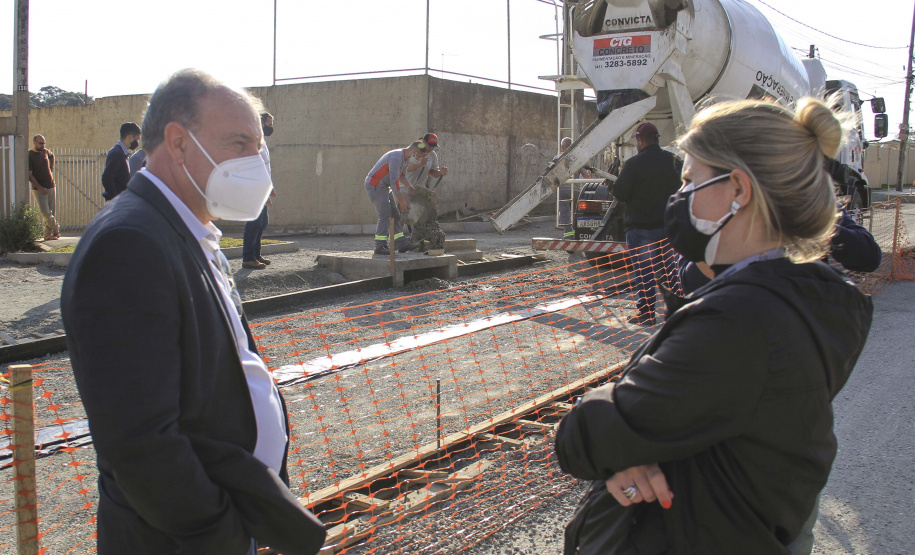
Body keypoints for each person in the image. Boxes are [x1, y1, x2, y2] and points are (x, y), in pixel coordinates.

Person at [555, 98, 874, 554]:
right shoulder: (807, 294)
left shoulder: (737, 324)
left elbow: (583, 437)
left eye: (689, 181)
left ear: (738, 189)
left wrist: (615, 441)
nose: (678, 197)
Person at [61, 69, 325, 555]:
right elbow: (141, 444)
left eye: (259, 147)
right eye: (240, 143)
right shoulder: (129, 244)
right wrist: (221, 533)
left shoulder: (189, 229)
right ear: (179, 144)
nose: (257, 163)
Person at [611, 122, 682, 325]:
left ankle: (647, 314)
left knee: (645, 273)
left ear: (641, 141)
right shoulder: (674, 161)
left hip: (641, 229)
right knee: (672, 273)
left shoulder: (634, 164)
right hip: (669, 227)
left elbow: (621, 193)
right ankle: (677, 313)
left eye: (638, 141)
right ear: (657, 139)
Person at [365, 141, 426, 255]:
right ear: (415, 151)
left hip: (383, 186)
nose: (418, 159)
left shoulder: (405, 159)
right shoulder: (396, 157)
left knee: (396, 214)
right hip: (375, 184)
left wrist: (409, 186)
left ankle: (401, 243)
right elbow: (394, 181)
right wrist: (402, 201)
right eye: (419, 156)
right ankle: (379, 246)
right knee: (385, 214)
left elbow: (401, 175)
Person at [242, 112, 276, 270]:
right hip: (254, 187)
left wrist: (270, 187)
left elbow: (266, 167)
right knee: (254, 222)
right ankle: (248, 257)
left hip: (262, 187)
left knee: (262, 223)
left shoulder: (262, 142)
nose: (270, 127)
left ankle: (255, 254)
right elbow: (255, 168)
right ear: (261, 123)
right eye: (269, 124)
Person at [555, 136, 592, 240]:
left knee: (565, 213)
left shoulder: (557, 159)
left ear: (562, 147)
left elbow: (551, 175)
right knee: (577, 213)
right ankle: (578, 234)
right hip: (575, 190)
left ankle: (569, 236)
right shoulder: (577, 159)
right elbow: (587, 176)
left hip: (562, 191)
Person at [27, 134, 60, 240]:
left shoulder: (45, 152)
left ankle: (47, 234)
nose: (43, 145)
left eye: (44, 143)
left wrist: (51, 168)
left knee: (52, 212)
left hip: (51, 186)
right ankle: (56, 228)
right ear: (34, 142)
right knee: (46, 213)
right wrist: (39, 187)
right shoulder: (30, 155)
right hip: (39, 189)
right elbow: (29, 175)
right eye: (41, 143)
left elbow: (52, 156)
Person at [101, 121, 141, 201]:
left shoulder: (120, 152)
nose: (138, 143)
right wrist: (116, 200)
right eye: (137, 139)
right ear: (130, 137)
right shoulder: (118, 154)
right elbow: (107, 178)